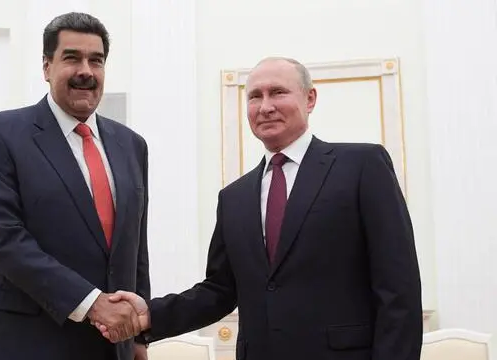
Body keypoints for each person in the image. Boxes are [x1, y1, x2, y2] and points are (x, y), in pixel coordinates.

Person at [98, 57, 423, 360]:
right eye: (254, 97)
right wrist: (149, 316)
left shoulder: (362, 166)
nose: (265, 107)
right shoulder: (234, 197)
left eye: (277, 93)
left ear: (310, 99)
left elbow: (399, 289)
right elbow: (220, 290)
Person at [0, 12, 150, 360]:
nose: (86, 71)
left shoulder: (131, 145)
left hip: (111, 346)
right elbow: (1, 239)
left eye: (96, 61)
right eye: (72, 58)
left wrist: (140, 336)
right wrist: (92, 303)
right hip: (24, 342)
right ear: (47, 67)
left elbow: (136, 247)